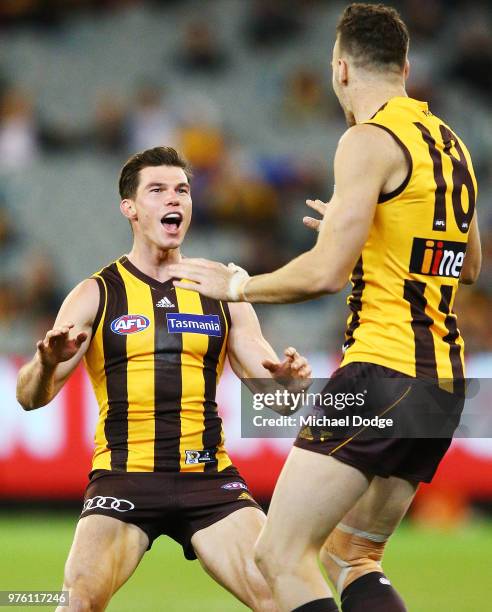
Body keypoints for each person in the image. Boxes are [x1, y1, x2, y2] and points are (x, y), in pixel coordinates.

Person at [167, 3, 482, 612]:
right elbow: (465, 265)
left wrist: (236, 287)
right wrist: (364, 228)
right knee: (351, 556)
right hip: (444, 387)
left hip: (380, 375)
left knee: (277, 556)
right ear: (406, 66)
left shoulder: (367, 139)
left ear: (340, 70)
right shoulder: (451, 145)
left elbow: (325, 274)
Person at [16, 146, 312, 611]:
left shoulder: (224, 289)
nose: (174, 200)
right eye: (157, 190)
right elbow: (29, 398)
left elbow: (278, 399)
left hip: (208, 480)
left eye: (183, 190)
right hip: (124, 480)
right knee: (78, 603)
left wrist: (291, 385)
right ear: (130, 208)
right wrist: (49, 363)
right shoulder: (97, 292)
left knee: (284, 597)